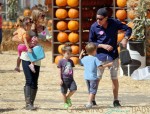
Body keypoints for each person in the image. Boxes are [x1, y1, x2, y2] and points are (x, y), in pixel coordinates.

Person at [89, 7, 132, 107]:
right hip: (100, 56)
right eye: (97, 18)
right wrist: (101, 45)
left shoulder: (114, 23)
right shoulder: (94, 27)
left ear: (106, 18)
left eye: (100, 19)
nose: (98, 21)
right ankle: (92, 99)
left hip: (113, 56)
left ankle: (116, 100)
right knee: (97, 78)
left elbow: (128, 29)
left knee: (114, 78)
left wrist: (125, 38)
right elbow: (90, 42)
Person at [79, 43, 112, 108]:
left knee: (90, 90)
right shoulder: (95, 59)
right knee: (93, 91)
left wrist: (81, 53)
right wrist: (108, 64)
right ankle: (89, 103)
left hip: (86, 77)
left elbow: (80, 61)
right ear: (94, 51)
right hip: (93, 78)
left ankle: (90, 102)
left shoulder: (85, 58)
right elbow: (100, 67)